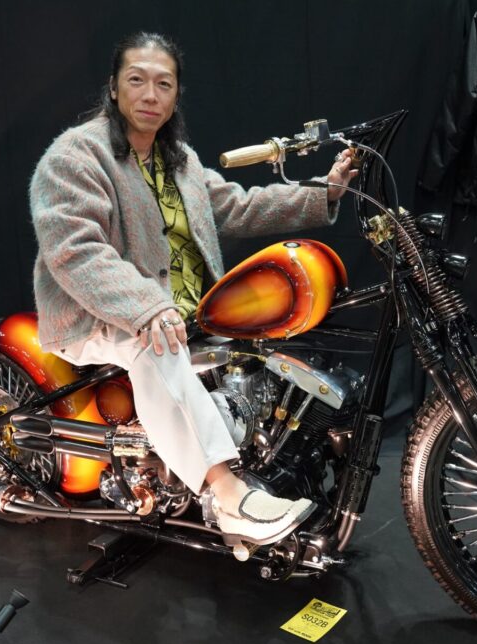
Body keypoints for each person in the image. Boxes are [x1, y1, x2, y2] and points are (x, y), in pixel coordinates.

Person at [29, 32, 356, 545]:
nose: (150, 94)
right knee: (153, 344)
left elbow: (238, 207)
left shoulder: (177, 159)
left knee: (269, 339)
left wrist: (324, 194)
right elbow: (75, 250)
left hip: (186, 313)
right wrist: (146, 307)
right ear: (113, 88)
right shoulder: (76, 156)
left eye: (164, 84)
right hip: (98, 317)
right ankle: (226, 494)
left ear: (176, 94)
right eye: (136, 80)